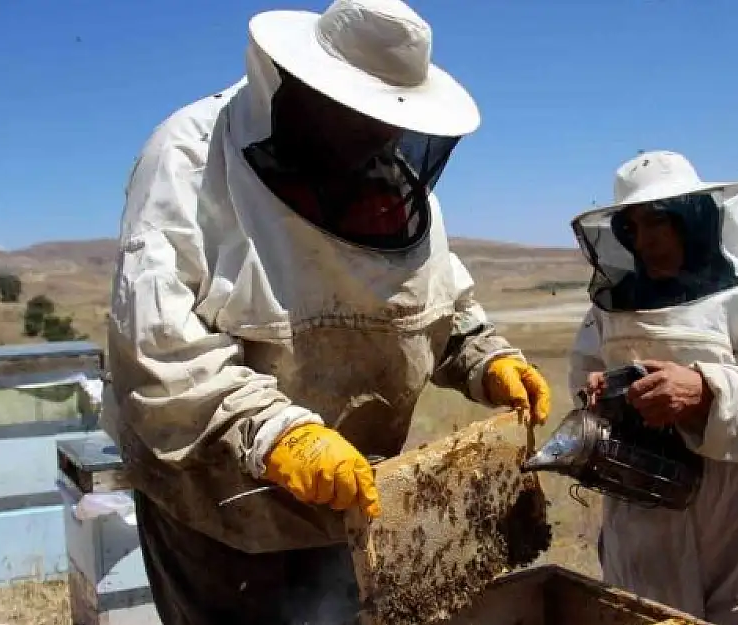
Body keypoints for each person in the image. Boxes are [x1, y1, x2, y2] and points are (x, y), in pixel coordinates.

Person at [104, 0, 552, 623]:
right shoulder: (189, 157)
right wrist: (275, 432)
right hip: (219, 509)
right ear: (306, 88)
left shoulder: (392, 182)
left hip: (350, 501)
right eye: (362, 118)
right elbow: (158, 346)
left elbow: (433, 300)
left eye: (391, 123)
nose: (381, 139)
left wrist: (484, 356)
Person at [567, 150, 738, 625]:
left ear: (692, 219)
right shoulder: (610, 310)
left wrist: (709, 392)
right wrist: (602, 398)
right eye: (632, 226)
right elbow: (584, 379)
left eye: (658, 221)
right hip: (645, 518)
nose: (645, 239)